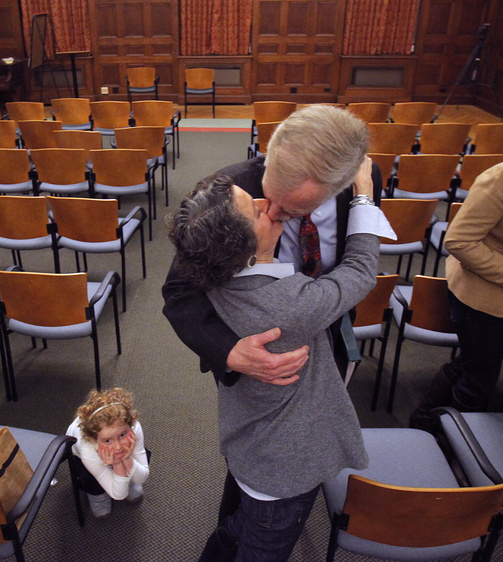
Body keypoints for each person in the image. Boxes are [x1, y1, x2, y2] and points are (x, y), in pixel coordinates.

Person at [162, 104, 383, 523]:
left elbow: (356, 256)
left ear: (339, 183)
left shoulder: (363, 187)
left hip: (328, 336)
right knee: (252, 448)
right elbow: (178, 292)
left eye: (294, 209)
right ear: (271, 151)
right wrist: (229, 353)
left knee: (312, 428)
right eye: (270, 193)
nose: (273, 213)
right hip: (249, 355)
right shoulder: (231, 192)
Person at [409, 161, 503, 430]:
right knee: (479, 378)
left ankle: (426, 421)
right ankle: (451, 441)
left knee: (472, 362)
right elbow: (458, 241)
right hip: (483, 300)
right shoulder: (498, 179)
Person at [66, 388, 149, 518]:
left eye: (122, 435)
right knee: (92, 480)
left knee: (134, 471)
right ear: (95, 439)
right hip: (84, 458)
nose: (117, 447)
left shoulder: (135, 428)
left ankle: (130, 483)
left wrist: (127, 459)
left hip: (121, 458)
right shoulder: (88, 449)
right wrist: (117, 463)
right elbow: (119, 495)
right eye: (107, 440)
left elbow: (142, 477)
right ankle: (99, 498)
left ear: (130, 425)